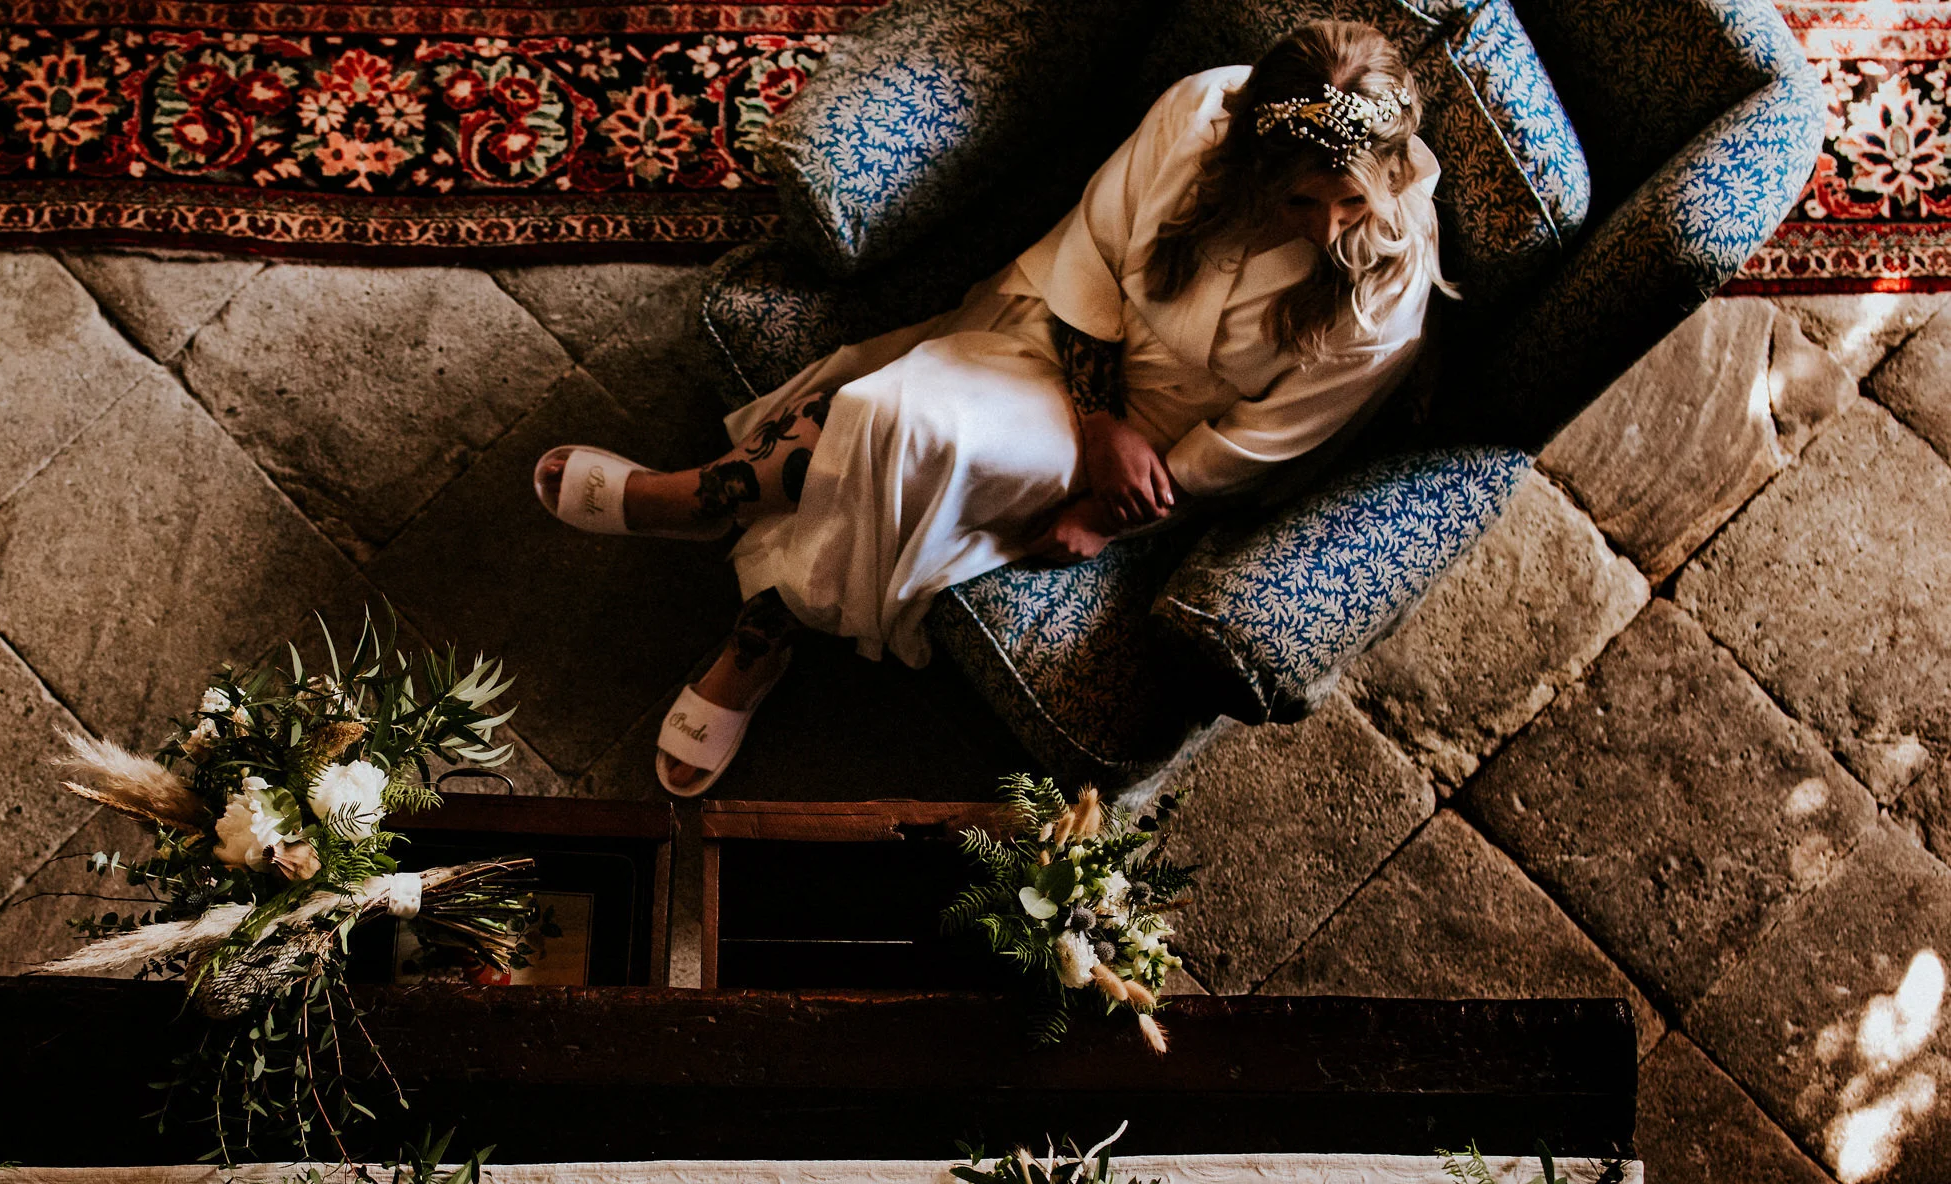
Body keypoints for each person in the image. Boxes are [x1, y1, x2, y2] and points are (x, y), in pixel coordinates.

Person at [533, 19, 1450, 795]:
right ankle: (706, 507)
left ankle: (755, 602)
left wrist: (1106, 504)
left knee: (910, 426)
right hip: (1061, 331)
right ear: (1249, 159)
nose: (1328, 227)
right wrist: (1097, 414)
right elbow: (1093, 244)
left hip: (1162, 442)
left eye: (1346, 201)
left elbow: (1265, 443)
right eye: (1298, 199)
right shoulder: (1200, 112)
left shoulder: (1388, 288)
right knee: (887, 409)